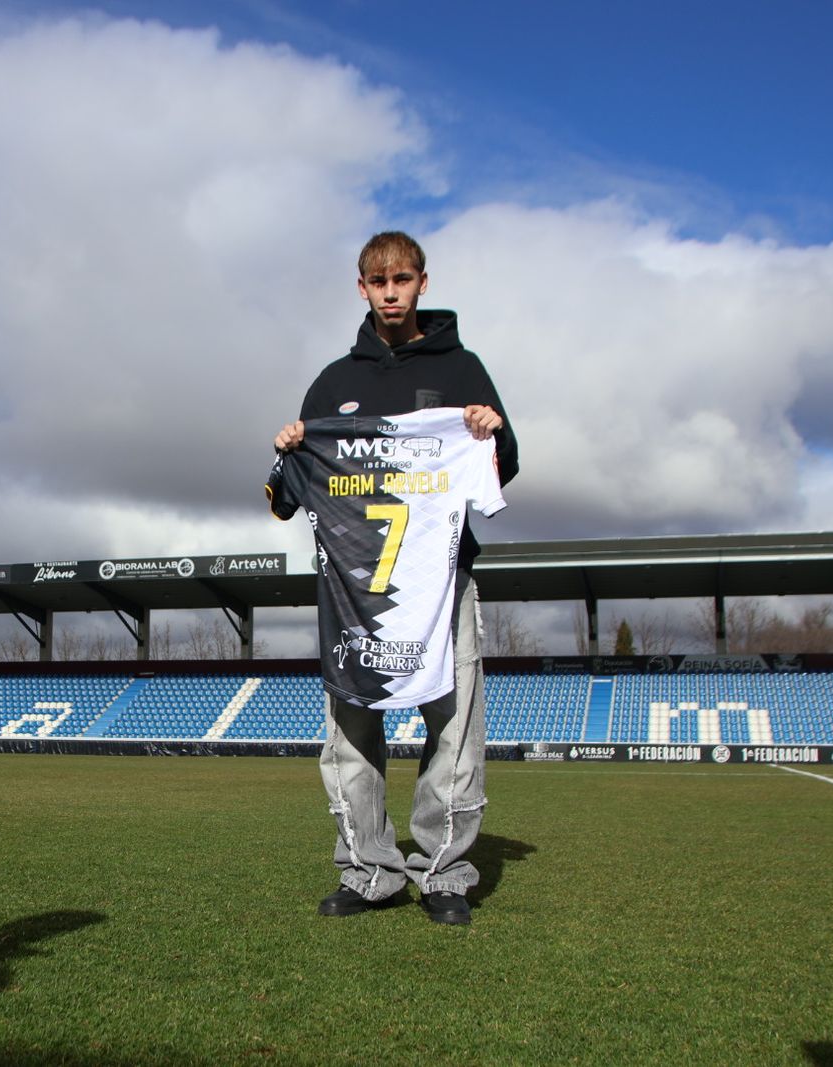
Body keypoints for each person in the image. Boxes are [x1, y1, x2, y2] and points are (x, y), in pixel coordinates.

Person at [272, 231, 518, 925]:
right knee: (352, 730)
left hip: (441, 587)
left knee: (454, 731)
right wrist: (289, 447)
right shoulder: (333, 382)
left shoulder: (464, 368)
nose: (390, 291)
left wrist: (490, 431)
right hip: (356, 594)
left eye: (402, 278)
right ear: (360, 288)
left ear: (421, 283)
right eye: (377, 280)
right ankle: (370, 870)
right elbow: (288, 494)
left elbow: (506, 464)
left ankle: (445, 873)